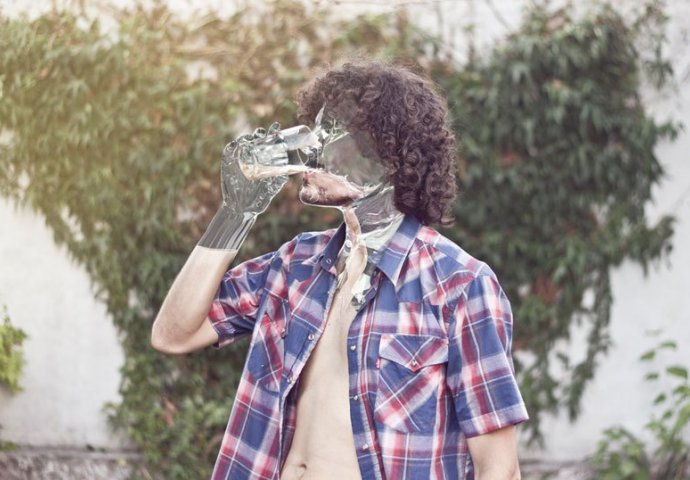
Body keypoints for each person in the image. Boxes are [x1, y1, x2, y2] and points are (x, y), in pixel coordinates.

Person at [151, 62, 529, 480]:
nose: (310, 150)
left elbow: (499, 468)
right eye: (313, 130)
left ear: (389, 156)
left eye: (330, 133)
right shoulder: (294, 266)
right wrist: (235, 212)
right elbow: (174, 334)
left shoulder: (460, 285)